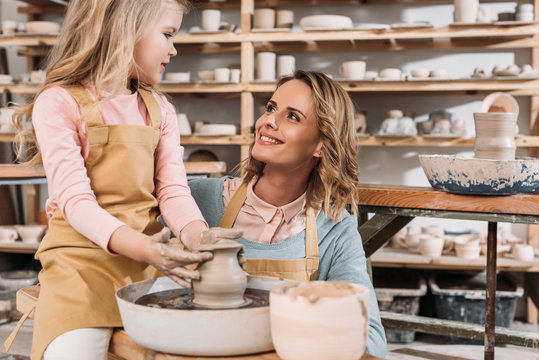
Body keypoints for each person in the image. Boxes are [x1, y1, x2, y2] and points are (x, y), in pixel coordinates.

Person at [11, 0, 214, 358]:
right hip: (80, 265)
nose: (174, 48)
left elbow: (172, 190)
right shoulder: (59, 103)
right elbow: (76, 203)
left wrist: (200, 236)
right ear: (124, 29)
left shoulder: (160, 109)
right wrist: (145, 247)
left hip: (148, 263)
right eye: (167, 34)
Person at [188, 70, 387, 357]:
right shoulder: (196, 200)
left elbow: (370, 337)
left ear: (321, 144)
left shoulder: (334, 226)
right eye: (271, 108)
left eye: (292, 116)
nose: (268, 121)